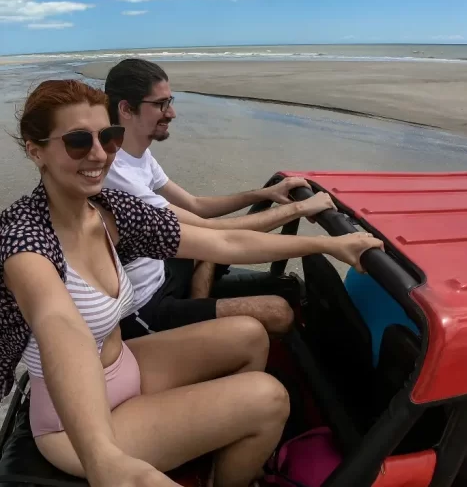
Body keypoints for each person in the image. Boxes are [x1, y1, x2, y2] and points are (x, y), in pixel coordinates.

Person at [0, 79, 383, 487]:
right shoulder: (23, 236)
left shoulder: (106, 209)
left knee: (251, 334)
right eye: (78, 141)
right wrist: (104, 459)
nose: (100, 154)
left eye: (110, 137)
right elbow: (58, 325)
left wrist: (328, 246)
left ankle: (225, 442)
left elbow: (224, 241)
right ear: (36, 151)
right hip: (77, 421)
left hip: (125, 366)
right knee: (269, 397)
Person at [104, 58, 328, 337]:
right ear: (126, 109)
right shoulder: (117, 175)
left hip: (161, 269)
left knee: (208, 251)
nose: (171, 112)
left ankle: (201, 328)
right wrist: (300, 209)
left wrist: (264, 193)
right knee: (278, 311)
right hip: (144, 305)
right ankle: (204, 338)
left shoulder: (137, 155)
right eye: (161, 104)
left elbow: (195, 206)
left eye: (170, 101)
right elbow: (208, 229)